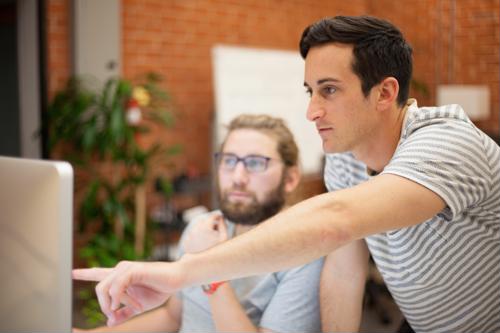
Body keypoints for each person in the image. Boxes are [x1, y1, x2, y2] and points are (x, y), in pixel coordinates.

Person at [74, 16, 500, 333]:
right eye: (310, 91)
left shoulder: (448, 142)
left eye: (329, 90)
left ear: (385, 93)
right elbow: (345, 270)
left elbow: (336, 219)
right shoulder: (347, 158)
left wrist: (183, 272)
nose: (312, 111)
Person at [75, 114, 323, 332]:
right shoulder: (202, 228)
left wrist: (212, 271)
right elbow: (173, 317)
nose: (237, 177)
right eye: (228, 160)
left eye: (256, 163)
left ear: (290, 178)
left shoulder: (304, 255)